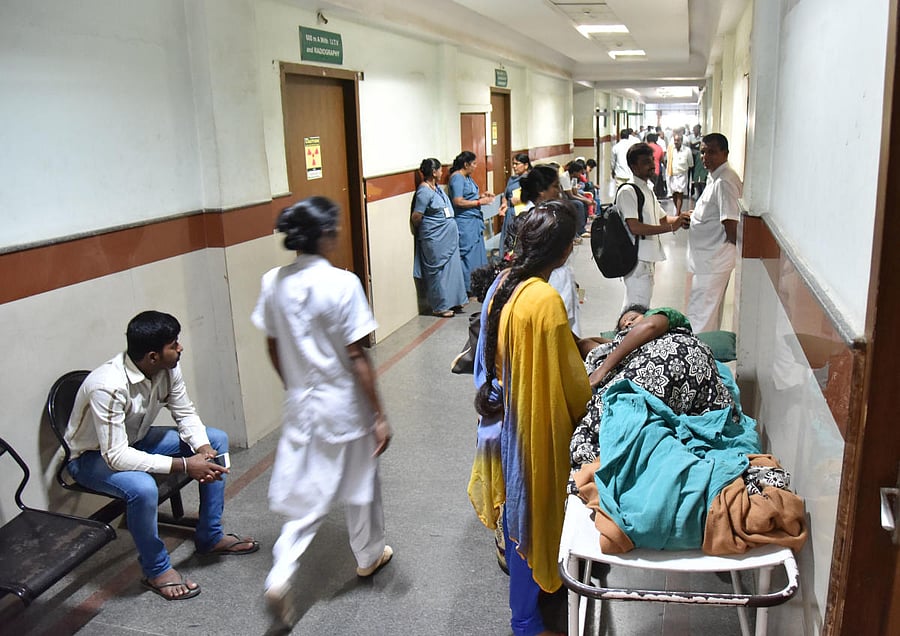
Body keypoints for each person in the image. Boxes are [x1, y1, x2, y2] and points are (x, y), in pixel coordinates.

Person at [252, 196, 393, 626]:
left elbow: (273, 344)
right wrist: (379, 415)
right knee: (361, 482)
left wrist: (295, 385)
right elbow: (355, 355)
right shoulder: (342, 283)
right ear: (326, 235)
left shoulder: (273, 282)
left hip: (302, 406)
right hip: (343, 407)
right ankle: (368, 556)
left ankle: (281, 574)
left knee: (308, 496)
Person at [64, 311, 258, 601]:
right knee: (142, 487)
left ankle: (210, 536)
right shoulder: (108, 385)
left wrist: (202, 448)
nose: (180, 348)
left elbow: (185, 412)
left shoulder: (167, 368)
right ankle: (156, 570)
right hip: (91, 458)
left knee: (216, 438)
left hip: (137, 440)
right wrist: (185, 465)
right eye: (174, 344)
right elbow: (116, 456)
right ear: (153, 356)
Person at [468, 200, 591, 636]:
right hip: (530, 425)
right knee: (533, 514)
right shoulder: (544, 299)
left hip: (499, 416)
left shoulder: (505, 283)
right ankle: (527, 621)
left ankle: (527, 608)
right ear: (565, 250)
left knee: (515, 512)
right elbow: (570, 384)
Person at [615, 142, 689, 309]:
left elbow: (662, 219)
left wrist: (681, 219)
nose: (651, 165)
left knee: (635, 306)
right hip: (637, 260)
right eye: (645, 162)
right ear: (633, 167)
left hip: (647, 258)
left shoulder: (647, 189)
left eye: (652, 161)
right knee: (637, 309)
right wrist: (672, 227)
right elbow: (635, 227)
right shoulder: (628, 192)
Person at [686, 133, 743, 333]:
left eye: (712, 152)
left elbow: (731, 224)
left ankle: (696, 352)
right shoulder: (714, 178)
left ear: (725, 153)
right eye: (703, 152)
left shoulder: (724, 182)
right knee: (708, 315)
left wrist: (734, 255)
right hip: (707, 260)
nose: (705, 157)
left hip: (713, 261)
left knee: (699, 318)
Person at [411, 157, 468, 317]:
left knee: (452, 270)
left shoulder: (436, 188)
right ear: (434, 172)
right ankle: (440, 306)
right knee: (438, 273)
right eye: (440, 169)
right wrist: (430, 228)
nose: (442, 172)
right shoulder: (424, 191)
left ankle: (454, 301)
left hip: (448, 238)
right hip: (435, 239)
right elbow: (417, 216)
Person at [449, 151, 495, 296]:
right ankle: (468, 288)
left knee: (477, 254)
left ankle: (477, 285)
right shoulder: (457, 178)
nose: (475, 166)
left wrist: (482, 196)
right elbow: (458, 201)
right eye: (474, 164)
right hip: (465, 221)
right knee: (468, 255)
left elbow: (469, 196)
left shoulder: (467, 177)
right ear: (466, 164)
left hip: (474, 219)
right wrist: (479, 202)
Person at [498, 153, 532, 254]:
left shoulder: (530, 179)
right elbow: (505, 195)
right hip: (510, 213)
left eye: (517, 164)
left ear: (526, 165)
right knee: (508, 242)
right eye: (513, 164)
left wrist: (521, 198)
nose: (514, 166)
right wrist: (504, 204)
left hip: (523, 214)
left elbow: (534, 195)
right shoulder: (512, 179)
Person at [667, 132, 694, 215]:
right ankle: (677, 209)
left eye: (678, 140)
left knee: (680, 193)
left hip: (682, 174)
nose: (676, 142)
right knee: (674, 193)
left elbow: (690, 163)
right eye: (675, 140)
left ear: (681, 141)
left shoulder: (687, 150)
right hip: (672, 174)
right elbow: (668, 161)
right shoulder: (671, 150)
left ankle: (678, 212)